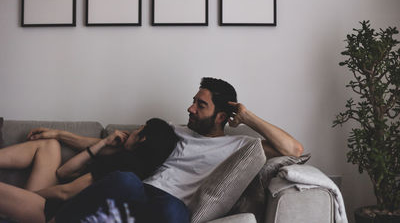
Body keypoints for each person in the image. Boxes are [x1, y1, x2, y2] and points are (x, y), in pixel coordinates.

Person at [37, 77, 304, 223]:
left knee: (174, 214)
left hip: (171, 207)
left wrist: (248, 117)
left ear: (222, 116)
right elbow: (111, 145)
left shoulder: (241, 146)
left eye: (201, 105)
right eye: (193, 102)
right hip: (139, 191)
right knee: (125, 179)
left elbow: (294, 149)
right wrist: (60, 134)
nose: (190, 108)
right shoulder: (172, 130)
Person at [0, 118, 178, 223]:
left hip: (52, 212)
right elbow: (63, 173)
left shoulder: (125, 166)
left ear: (142, 138)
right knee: (50, 145)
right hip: (52, 204)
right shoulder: (132, 163)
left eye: (139, 129)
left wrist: (24, 196)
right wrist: (103, 143)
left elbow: (65, 192)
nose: (131, 131)